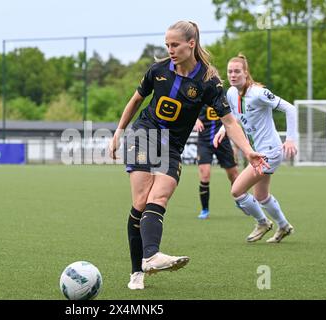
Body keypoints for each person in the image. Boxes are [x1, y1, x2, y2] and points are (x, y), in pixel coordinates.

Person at [108, 21, 269, 290]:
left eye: (175, 45)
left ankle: (150, 257)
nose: (169, 50)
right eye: (167, 45)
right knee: (140, 201)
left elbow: (229, 122)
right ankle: (139, 269)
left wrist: (249, 151)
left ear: (191, 44)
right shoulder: (157, 70)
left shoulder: (208, 81)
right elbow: (136, 100)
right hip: (144, 134)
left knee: (160, 196)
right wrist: (118, 131)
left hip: (172, 146)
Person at [213, 53, 297, 244]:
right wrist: (222, 130)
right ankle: (284, 226)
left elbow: (290, 109)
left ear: (246, 73)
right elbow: (232, 116)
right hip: (257, 151)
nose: (233, 75)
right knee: (261, 196)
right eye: (230, 72)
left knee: (237, 190)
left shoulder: (259, 93)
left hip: (269, 152)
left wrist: (290, 139)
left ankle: (262, 222)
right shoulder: (231, 93)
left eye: (237, 71)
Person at [193, 105, 239, 220]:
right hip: (204, 141)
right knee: (205, 174)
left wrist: (236, 145)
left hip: (222, 140)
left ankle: (240, 199)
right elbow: (187, 109)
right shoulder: (199, 95)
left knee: (233, 174)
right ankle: (205, 210)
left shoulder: (222, 95)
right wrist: (196, 119)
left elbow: (234, 116)